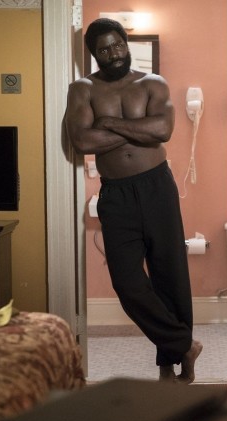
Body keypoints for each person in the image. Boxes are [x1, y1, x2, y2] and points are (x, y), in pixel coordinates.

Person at [65, 18, 202, 383]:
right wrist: (140, 131)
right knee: (127, 283)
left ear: (127, 43)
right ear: (93, 54)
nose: (113, 54)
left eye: (117, 45)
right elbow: (82, 141)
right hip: (116, 194)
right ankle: (184, 344)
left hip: (157, 187)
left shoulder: (152, 83)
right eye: (104, 49)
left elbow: (163, 131)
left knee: (170, 275)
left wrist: (108, 124)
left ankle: (171, 364)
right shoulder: (82, 89)